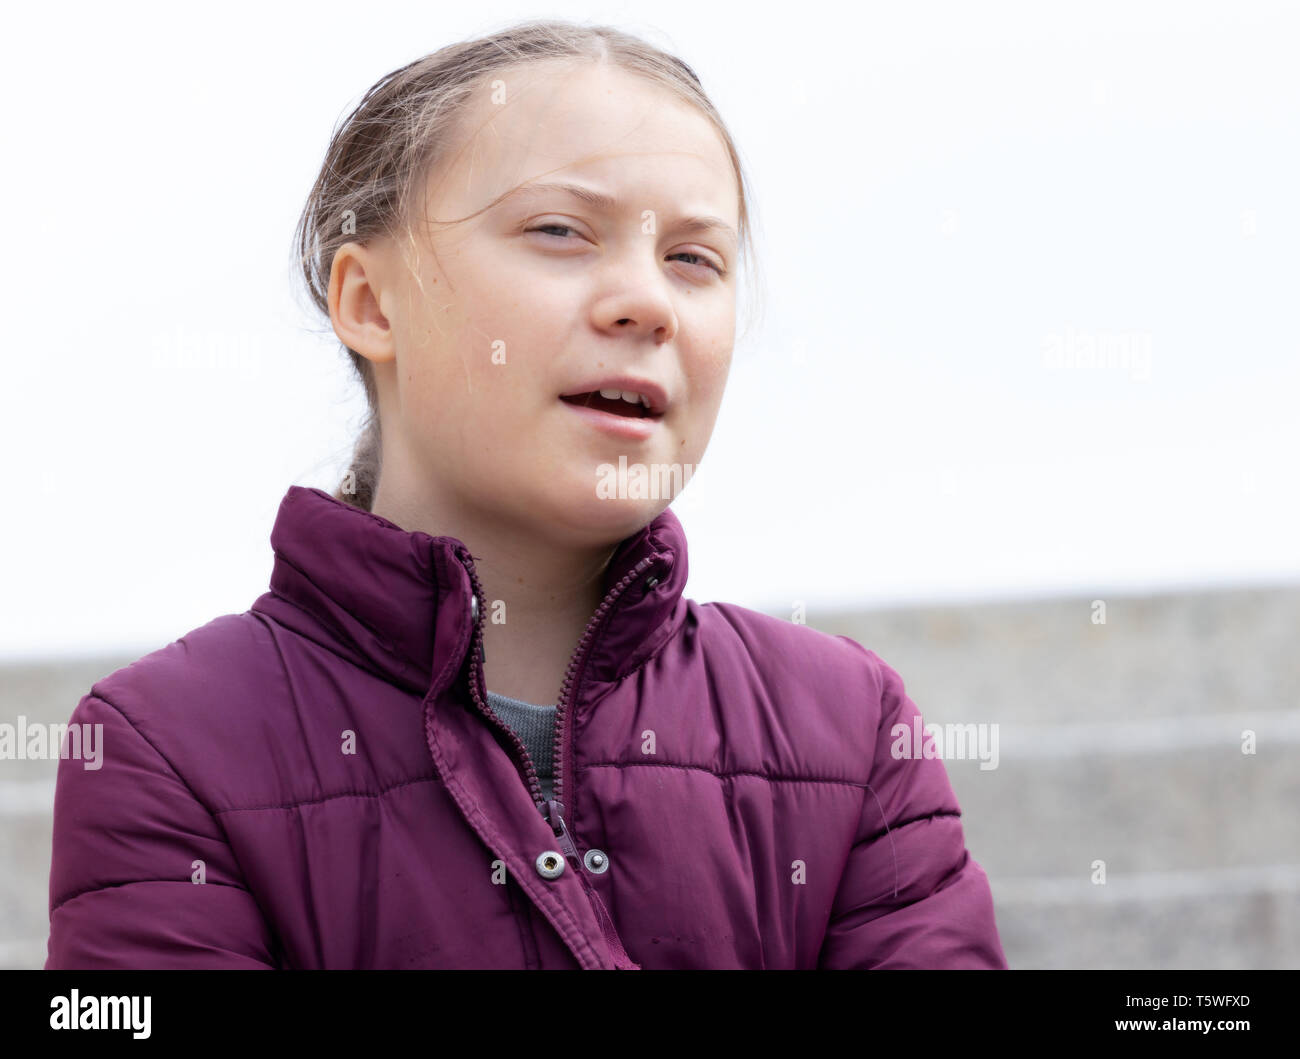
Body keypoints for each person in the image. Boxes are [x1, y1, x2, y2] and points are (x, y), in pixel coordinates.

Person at [45, 19, 1007, 969]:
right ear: (371, 302)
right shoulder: (171, 745)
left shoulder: (844, 726)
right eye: (559, 230)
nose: (648, 301)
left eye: (693, 258)